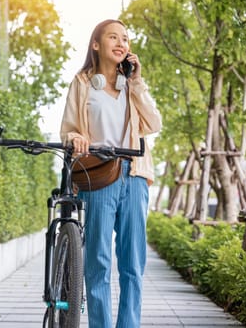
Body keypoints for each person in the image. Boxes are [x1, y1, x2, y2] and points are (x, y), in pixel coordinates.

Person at [60, 19, 162, 328]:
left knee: (133, 265)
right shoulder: (82, 83)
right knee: (98, 264)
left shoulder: (129, 85)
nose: (121, 43)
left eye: (126, 39)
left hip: (135, 176)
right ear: (96, 44)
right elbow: (68, 130)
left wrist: (136, 82)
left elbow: (153, 123)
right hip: (99, 175)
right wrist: (76, 138)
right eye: (113, 37)